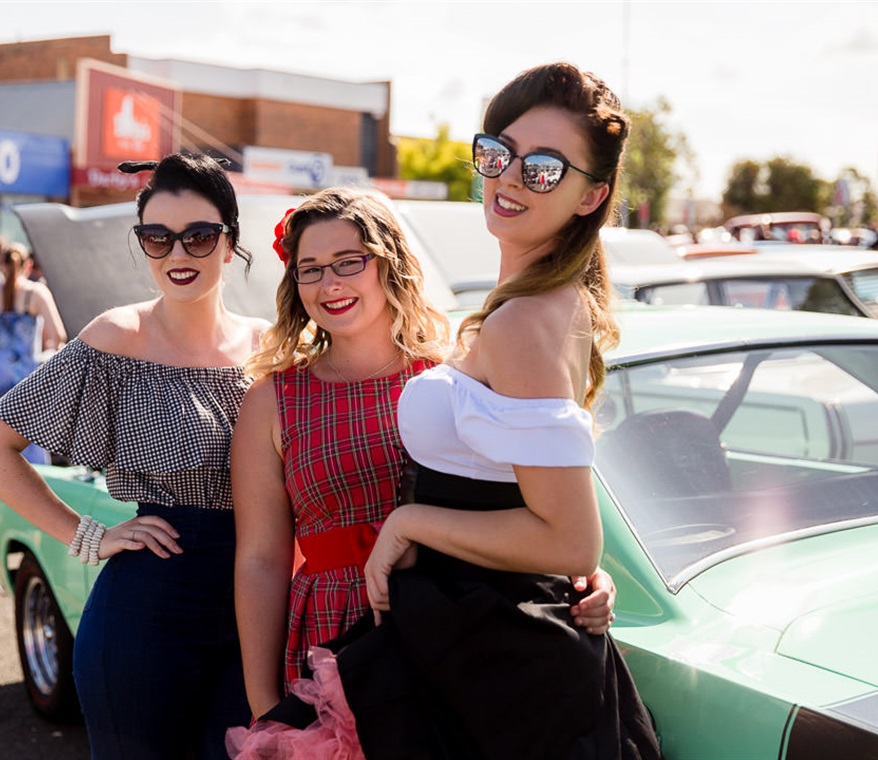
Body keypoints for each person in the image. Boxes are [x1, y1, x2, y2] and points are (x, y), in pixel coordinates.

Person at [230, 65, 662, 758]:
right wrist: (567, 575)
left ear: (594, 195)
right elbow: (540, 500)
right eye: (498, 154)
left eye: (544, 168)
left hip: (484, 657)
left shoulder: (519, 322)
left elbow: (569, 535)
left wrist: (413, 521)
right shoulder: (536, 307)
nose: (510, 178)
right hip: (452, 640)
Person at [0, 152, 270, 759]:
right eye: (157, 238)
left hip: (260, 609)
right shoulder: (117, 336)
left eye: (199, 236)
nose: (178, 254)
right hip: (148, 611)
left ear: (230, 244)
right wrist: (88, 535)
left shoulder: (269, 342)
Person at [0, 242, 66, 463]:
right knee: (28, 442)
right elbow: (58, 335)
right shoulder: (36, 293)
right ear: (29, 265)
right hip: (25, 375)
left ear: (2, 265)